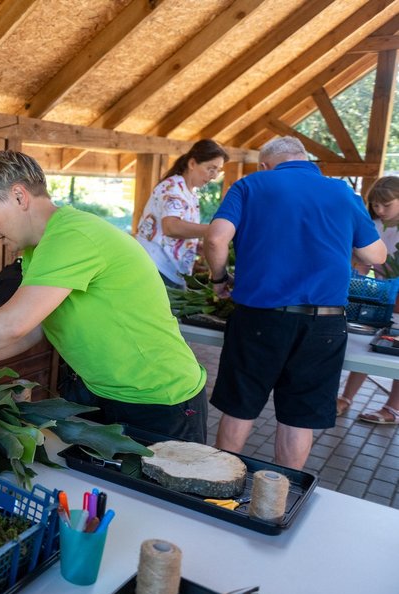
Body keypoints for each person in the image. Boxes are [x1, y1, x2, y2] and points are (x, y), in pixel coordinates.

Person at [0, 150, 209, 443]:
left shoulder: (72, 236)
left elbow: (14, 323)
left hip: (160, 399)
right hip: (105, 392)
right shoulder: (38, 250)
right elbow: (35, 328)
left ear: (18, 196)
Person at [205, 136, 386, 470]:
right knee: (299, 418)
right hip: (324, 323)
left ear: (265, 165)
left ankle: (219, 484)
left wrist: (219, 280)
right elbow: (376, 255)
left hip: (259, 319)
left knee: (240, 407)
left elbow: (216, 238)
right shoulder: (343, 192)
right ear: (305, 159)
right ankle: (284, 490)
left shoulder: (250, 185)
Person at [336, 176, 399, 423]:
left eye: (387, 204)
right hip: (383, 296)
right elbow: (362, 263)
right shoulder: (373, 225)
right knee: (368, 347)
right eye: (375, 204)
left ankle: (393, 409)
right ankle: (346, 397)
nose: (380, 210)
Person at [135, 139, 229, 288]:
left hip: (172, 271)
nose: (214, 176)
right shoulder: (172, 188)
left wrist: (195, 246)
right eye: (211, 169)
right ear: (192, 163)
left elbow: (174, 232)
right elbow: (171, 227)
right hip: (157, 267)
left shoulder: (189, 192)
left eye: (218, 170)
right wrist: (214, 230)